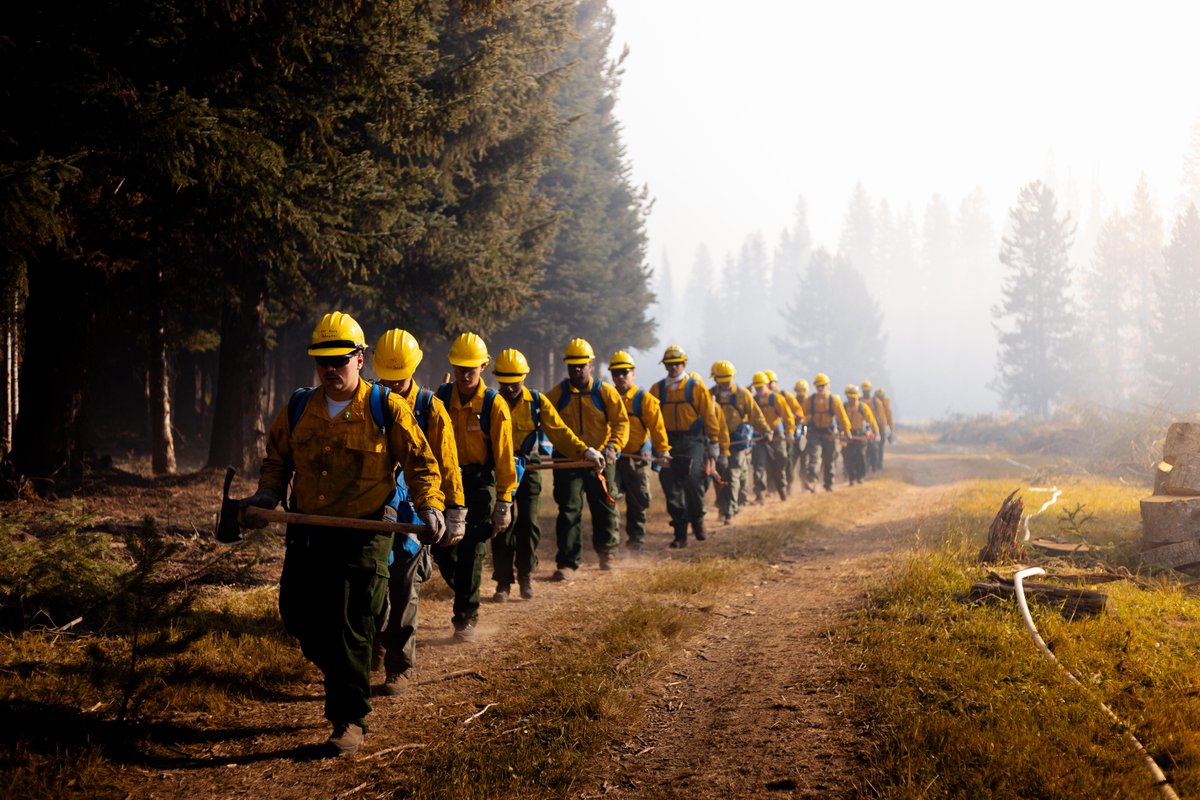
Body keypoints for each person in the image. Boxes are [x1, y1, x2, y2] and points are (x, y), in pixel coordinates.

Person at [239, 311, 446, 756]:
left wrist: (431, 506)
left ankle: (348, 719)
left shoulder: (385, 408)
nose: (331, 369)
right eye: (323, 361)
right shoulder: (299, 406)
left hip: (366, 533)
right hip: (309, 533)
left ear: (360, 358)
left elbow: (422, 463)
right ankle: (346, 668)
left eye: (340, 359)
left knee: (350, 624)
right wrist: (266, 495)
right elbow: (277, 458)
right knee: (298, 616)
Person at [369, 329, 466, 697]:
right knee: (373, 584)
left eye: (399, 376)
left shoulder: (430, 408)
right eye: (386, 377)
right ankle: (376, 644)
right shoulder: (369, 402)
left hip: (414, 511)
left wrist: (454, 510)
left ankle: (400, 666)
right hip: (375, 508)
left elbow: (448, 464)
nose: (392, 383)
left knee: (405, 585)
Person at [490, 348, 602, 600]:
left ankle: (526, 575)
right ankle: (503, 582)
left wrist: (584, 452)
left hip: (529, 468)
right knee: (501, 525)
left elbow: (559, 432)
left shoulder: (538, 402)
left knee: (528, 523)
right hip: (498, 468)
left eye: (515, 382)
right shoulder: (490, 401)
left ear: (524, 377)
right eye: (504, 383)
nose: (509, 389)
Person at [433, 333, 517, 642]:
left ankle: (465, 617)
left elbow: (506, 458)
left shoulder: (494, 405)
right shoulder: (440, 398)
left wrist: (504, 501)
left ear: (484, 366)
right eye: (459, 368)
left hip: (480, 483)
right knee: (441, 546)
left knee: (471, 549)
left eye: (471, 368)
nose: (465, 375)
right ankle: (467, 589)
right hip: (444, 483)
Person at [545, 338, 629, 578]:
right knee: (569, 509)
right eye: (572, 365)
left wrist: (613, 447)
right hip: (566, 460)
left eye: (581, 364)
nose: (577, 369)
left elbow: (621, 422)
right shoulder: (557, 395)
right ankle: (568, 563)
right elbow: (544, 421)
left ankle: (607, 554)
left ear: (591, 364)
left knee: (604, 507)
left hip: (600, 460)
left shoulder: (605, 392)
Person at [649, 344, 721, 547]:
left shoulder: (696, 388)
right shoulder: (657, 389)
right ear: (664, 366)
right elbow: (650, 418)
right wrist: (650, 446)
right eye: (669, 364)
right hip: (668, 443)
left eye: (676, 364)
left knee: (693, 479)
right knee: (670, 484)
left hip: (692, 441)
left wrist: (714, 442)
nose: (673, 368)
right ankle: (680, 533)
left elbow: (709, 415)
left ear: (684, 364)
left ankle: (697, 519)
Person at [608, 350, 671, 549]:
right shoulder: (605, 397)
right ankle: (612, 542)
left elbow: (658, 428)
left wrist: (662, 452)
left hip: (637, 458)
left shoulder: (645, 400)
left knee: (638, 501)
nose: (620, 377)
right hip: (612, 459)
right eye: (616, 372)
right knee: (610, 497)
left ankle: (636, 541)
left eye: (624, 372)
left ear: (633, 372)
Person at [710, 361, 770, 523]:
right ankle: (722, 507)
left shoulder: (743, 395)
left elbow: (755, 415)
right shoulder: (709, 396)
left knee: (732, 474)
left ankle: (729, 511)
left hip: (737, 441)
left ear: (733, 377)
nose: (724, 383)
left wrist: (765, 430)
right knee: (718, 476)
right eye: (720, 379)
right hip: (716, 441)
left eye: (727, 379)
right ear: (715, 378)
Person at [803, 373, 851, 491]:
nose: (820, 388)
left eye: (823, 386)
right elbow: (802, 414)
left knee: (830, 459)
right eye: (818, 386)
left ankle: (828, 484)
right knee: (815, 458)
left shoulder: (833, 400)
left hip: (830, 434)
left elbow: (842, 417)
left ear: (828, 386)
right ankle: (812, 482)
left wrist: (847, 431)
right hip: (815, 433)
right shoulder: (810, 400)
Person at [750, 371, 792, 504]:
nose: (758, 390)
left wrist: (790, 432)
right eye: (756, 388)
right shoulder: (753, 401)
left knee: (779, 463)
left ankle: (782, 490)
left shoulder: (776, 398)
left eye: (760, 387)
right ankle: (760, 496)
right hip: (759, 436)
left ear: (766, 385)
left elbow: (787, 416)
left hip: (776, 436)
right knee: (759, 466)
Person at [766, 369, 805, 495]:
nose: (767, 385)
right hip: (768, 434)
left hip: (786, 434)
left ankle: (788, 486)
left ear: (774, 383)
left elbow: (798, 411)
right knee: (769, 462)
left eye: (769, 383)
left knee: (787, 460)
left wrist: (793, 426)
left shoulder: (784, 395)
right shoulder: (760, 399)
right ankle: (771, 489)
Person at [842, 384, 879, 485]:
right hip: (847, 434)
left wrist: (876, 432)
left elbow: (871, 421)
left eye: (853, 398)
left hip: (860, 434)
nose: (851, 400)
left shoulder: (863, 407)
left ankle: (860, 476)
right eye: (850, 397)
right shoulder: (843, 407)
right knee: (848, 457)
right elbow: (838, 420)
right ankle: (851, 478)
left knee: (861, 455)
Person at [863, 381, 895, 470]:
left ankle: (878, 465)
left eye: (881, 396)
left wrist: (887, 429)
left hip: (879, 428)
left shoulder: (880, 404)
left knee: (879, 447)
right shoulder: (867, 402)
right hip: (867, 427)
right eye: (878, 396)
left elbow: (885, 418)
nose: (880, 398)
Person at [793, 378, 814, 492]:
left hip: (808, 436)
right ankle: (788, 485)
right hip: (794, 437)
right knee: (791, 461)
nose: (800, 393)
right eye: (798, 390)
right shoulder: (792, 402)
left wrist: (806, 420)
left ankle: (805, 483)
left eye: (802, 390)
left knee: (805, 461)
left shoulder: (811, 402)